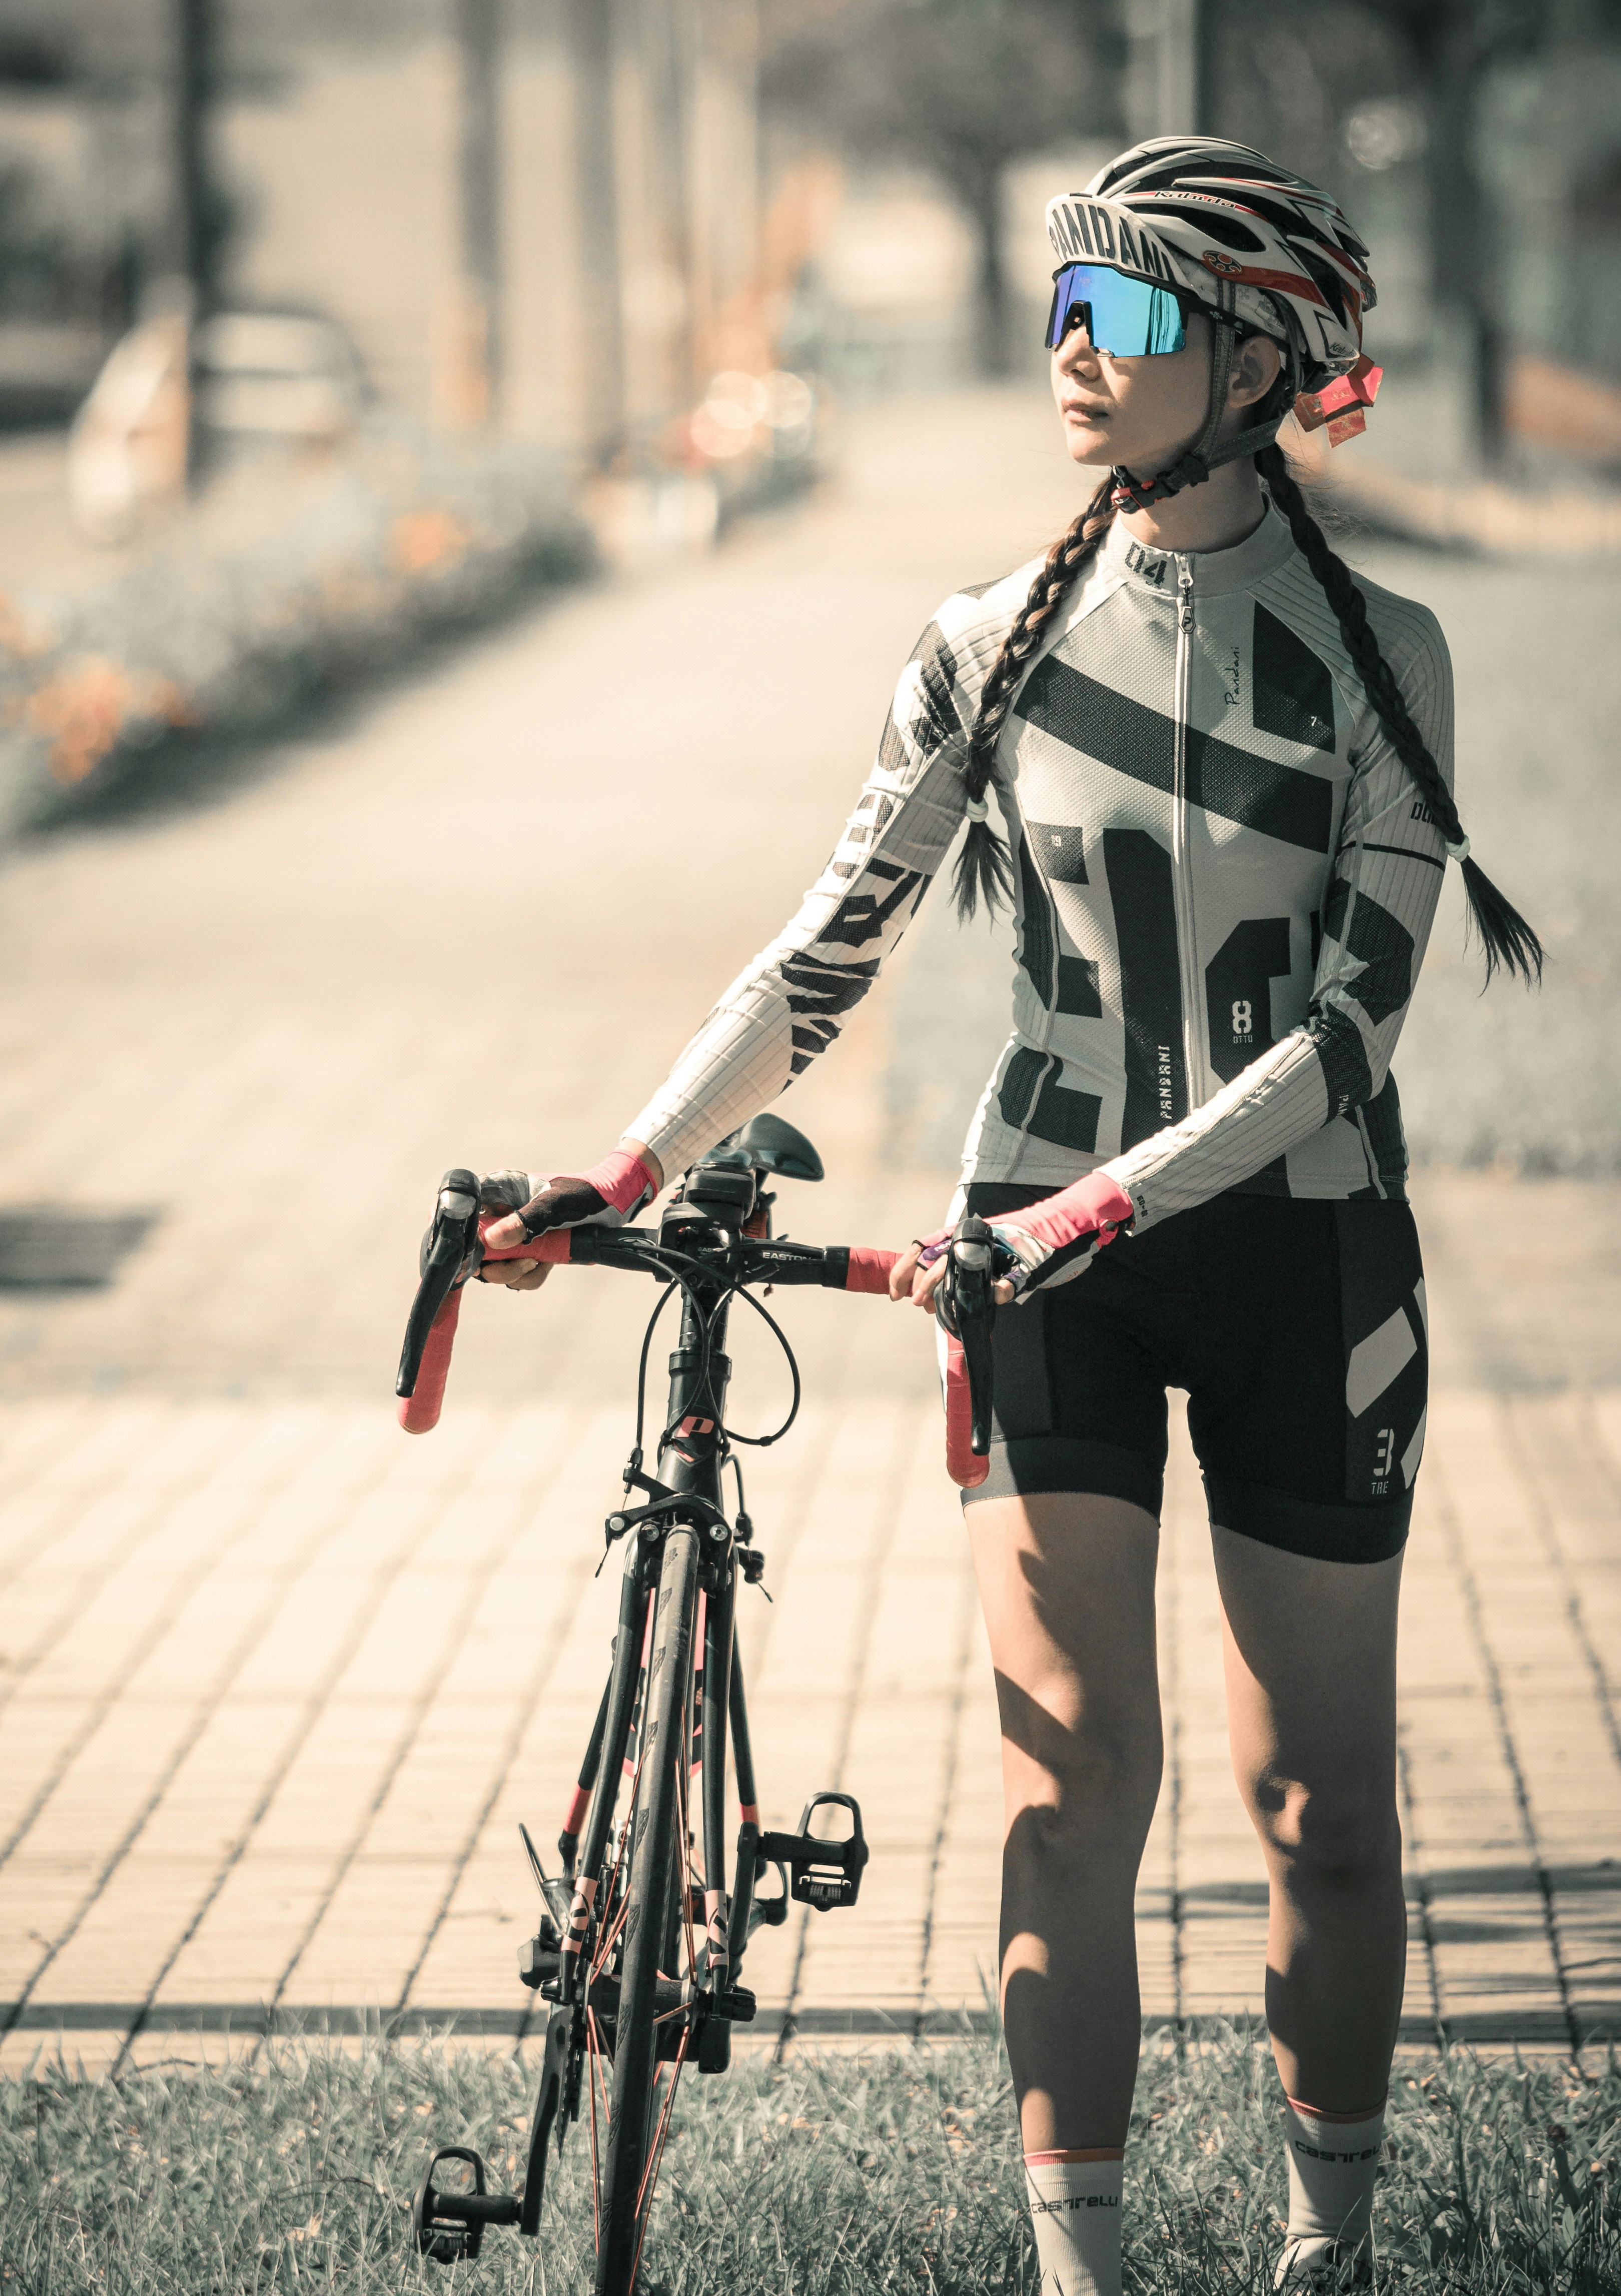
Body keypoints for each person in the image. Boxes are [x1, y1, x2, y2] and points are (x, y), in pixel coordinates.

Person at [478, 138, 1541, 2292]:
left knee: (1318, 1816)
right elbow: (820, 960)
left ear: (1261, 361)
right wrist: (623, 1163)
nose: (1075, 348)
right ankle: (1083, 2276)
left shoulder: (1389, 662)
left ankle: (1322, 2251)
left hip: (1300, 1261)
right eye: (1061, 304)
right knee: (1073, 1791)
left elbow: (1352, 1039)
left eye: (1129, 314)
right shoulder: (982, 645)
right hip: (1027, 1257)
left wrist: (1120, 1203)